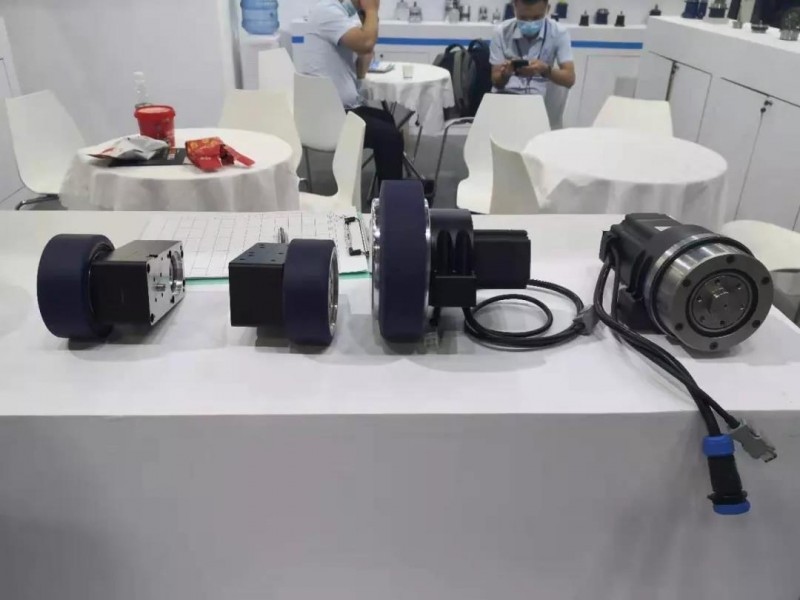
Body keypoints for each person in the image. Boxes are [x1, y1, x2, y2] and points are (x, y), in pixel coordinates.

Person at [302, 0, 404, 184]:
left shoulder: (344, 15)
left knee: (386, 119)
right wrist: (371, 11)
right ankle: (392, 196)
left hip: (339, 108)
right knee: (389, 136)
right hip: (327, 116)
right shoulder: (327, 11)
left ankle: (390, 186)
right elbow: (365, 42)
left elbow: (361, 63)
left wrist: (368, 30)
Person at [489, 0, 576, 96]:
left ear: (547, 9)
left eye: (536, 18)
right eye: (523, 18)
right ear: (514, 8)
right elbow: (496, 81)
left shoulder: (558, 33)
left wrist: (545, 70)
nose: (529, 23)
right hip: (506, 94)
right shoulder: (501, 32)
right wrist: (505, 75)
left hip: (538, 96)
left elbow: (569, 79)